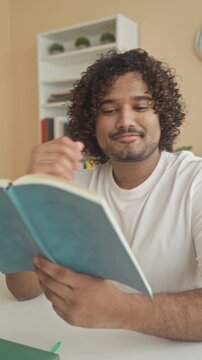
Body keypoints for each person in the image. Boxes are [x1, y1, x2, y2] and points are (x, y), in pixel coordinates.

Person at [6, 48, 202, 341]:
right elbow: (22, 290)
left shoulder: (194, 182)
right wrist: (33, 197)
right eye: (109, 110)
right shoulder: (74, 186)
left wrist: (123, 310)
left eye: (141, 106)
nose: (125, 121)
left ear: (162, 114)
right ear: (92, 125)